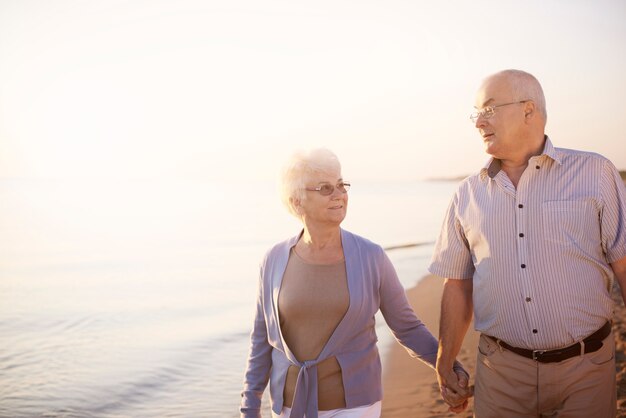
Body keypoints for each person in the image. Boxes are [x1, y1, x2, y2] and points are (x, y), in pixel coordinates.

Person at [430, 69, 626, 417]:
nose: (478, 122)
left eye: (488, 109)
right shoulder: (466, 195)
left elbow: (623, 264)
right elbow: (457, 285)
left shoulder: (595, 173)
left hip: (587, 369)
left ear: (528, 110)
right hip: (500, 375)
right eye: (476, 113)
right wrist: (444, 363)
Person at [240, 148, 467, 418]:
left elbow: (407, 328)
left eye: (341, 185)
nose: (339, 195)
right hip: (289, 405)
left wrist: (450, 368)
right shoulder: (274, 260)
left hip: (355, 406)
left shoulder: (371, 257)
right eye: (325, 188)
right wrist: (250, 406)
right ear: (297, 201)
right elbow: (261, 341)